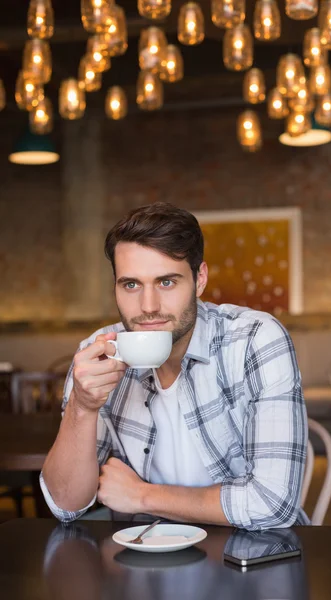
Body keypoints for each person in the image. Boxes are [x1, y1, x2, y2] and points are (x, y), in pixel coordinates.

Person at [41, 202, 309, 530]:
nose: (148, 306)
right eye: (131, 285)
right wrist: (82, 408)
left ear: (199, 280)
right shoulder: (98, 352)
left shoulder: (254, 339)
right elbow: (65, 505)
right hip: (142, 562)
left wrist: (143, 496)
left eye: (166, 282)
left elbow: (272, 504)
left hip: (252, 554)